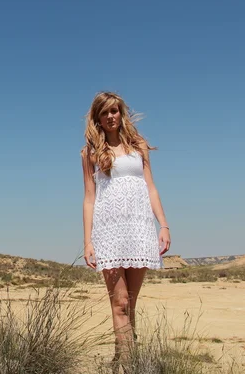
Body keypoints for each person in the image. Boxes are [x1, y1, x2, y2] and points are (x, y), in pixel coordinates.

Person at [81, 91, 170, 367]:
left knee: (130, 304)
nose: (110, 116)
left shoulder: (138, 145)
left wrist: (163, 225)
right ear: (97, 117)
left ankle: (121, 359)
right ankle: (131, 368)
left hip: (139, 230)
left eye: (114, 111)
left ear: (121, 114)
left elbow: (151, 187)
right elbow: (88, 198)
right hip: (109, 233)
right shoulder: (90, 153)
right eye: (104, 112)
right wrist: (88, 242)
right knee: (119, 304)